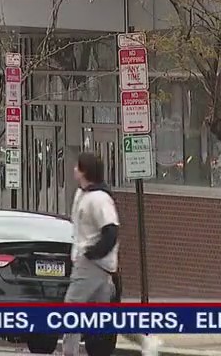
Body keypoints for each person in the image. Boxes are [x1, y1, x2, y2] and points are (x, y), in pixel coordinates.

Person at [61, 152, 160, 356]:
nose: (74, 170)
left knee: (71, 310)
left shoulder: (100, 199)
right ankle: (145, 341)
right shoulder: (82, 194)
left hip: (92, 265)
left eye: (77, 167)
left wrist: (91, 254)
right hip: (94, 265)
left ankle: (68, 353)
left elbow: (111, 232)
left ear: (85, 171)